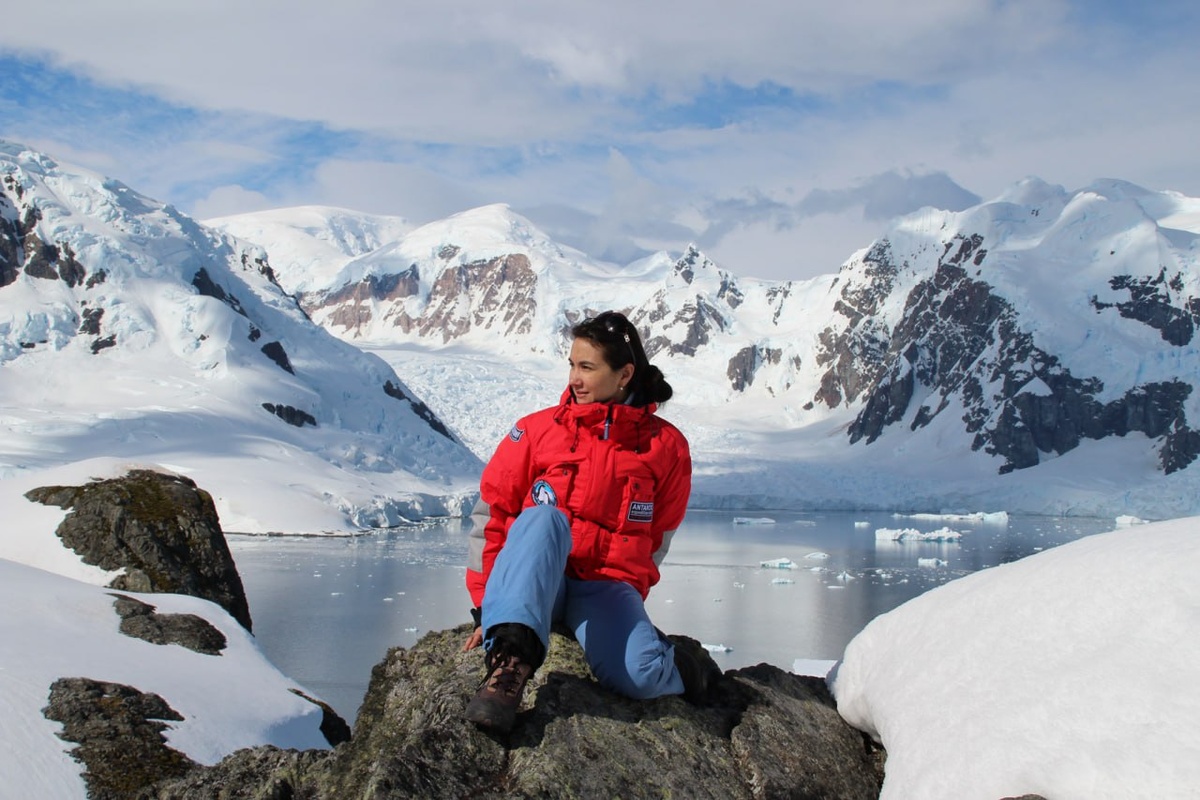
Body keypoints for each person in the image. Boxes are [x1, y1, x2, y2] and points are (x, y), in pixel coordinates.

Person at [462, 310, 712, 733]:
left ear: (624, 374)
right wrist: (490, 605)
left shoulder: (666, 447)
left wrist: (630, 593)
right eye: (572, 366)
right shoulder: (536, 431)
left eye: (587, 368)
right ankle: (507, 670)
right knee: (542, 520)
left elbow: (659, 536)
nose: (574, 379)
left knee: (641, 676)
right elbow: (493, 515)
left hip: (607, 585)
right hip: (542, 578)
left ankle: (686, 666)